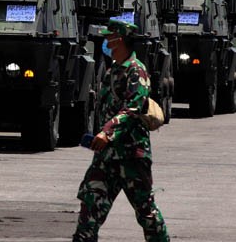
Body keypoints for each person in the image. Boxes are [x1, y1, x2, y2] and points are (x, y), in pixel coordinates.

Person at [72, 19, 170, 242]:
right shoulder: (113, 69)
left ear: (120, 40)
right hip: (107, 156)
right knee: (90, 204)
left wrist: (107, 132)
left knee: (146, 212)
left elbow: (132, 108)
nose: (106, 40)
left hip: (132, 156)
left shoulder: (137, 71)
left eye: (109, 37)